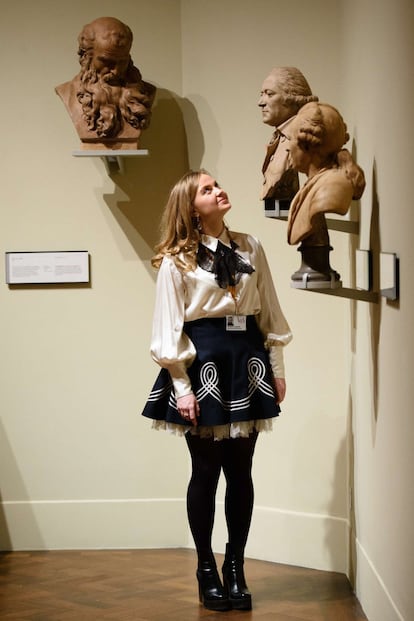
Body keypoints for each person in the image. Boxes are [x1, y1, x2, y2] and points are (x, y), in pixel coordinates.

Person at [142, 170, 292, 611]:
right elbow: (167, 328)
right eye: (207, 189)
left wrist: (276, 366)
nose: (219, 191)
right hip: (202, 362)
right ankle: (206, 569)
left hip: (247, 359)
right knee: (206, 472)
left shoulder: (251, 246)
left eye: (217, 185)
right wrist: (183, 387)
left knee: (241, 472)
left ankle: (236, 568)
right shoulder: (176, 261)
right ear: (192, 207)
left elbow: (270, 309)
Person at [285, 102, 365, 285]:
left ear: (308, 145)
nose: (288, 147)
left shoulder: (333, 186)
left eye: (291, 139)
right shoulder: (313, 184)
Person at [55, 16, 155, 147]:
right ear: (87, 56)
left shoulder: (145, 93)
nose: (116, 71)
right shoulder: (67, 92)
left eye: (122, 62)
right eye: (106, 61)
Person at [258, 67, 318, 206]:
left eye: (269, 94)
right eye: (261, 94)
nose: (260, 102)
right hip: (280, 204)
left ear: (292, 98)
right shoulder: (279, 138)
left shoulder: (305, 140)